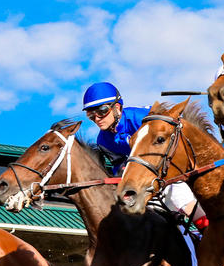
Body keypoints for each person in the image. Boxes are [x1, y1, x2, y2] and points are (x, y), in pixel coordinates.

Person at [83, 82, 207, 229]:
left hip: (170, 169)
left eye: (102, 111)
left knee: (176, 195)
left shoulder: (141, 118)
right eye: (91, 115)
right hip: (144, 180)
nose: (97, 118)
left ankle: (207, 228)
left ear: (117, 107)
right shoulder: (102, 140)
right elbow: (120, 168)